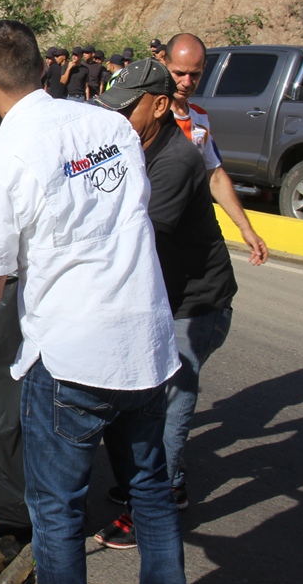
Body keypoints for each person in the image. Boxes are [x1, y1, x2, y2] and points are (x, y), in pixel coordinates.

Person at [0, 20, 185, 584]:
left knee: (57, 511)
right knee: (152, 490)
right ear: (43, 68)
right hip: (146, 344)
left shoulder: (5, 161)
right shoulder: (112, 126)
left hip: (72, 358)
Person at [90, 58, 238, 548]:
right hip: (161, 299)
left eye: (127, 109)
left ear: (157, 105)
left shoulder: (177, 161)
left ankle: (159, 500)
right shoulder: (130, 144)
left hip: (197, 306)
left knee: (171, 399)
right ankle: (146, 483)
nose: (117, 119)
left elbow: (132, 239)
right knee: (137, 399)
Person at [164, 33, 269, 265]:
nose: (187, 82)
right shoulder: (145, 115)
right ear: (164, 63)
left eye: (195, 74)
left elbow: (216, 176)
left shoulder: (200, 119)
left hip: (190, 229)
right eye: (179, 73)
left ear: (204, 68)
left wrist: (246, 229)